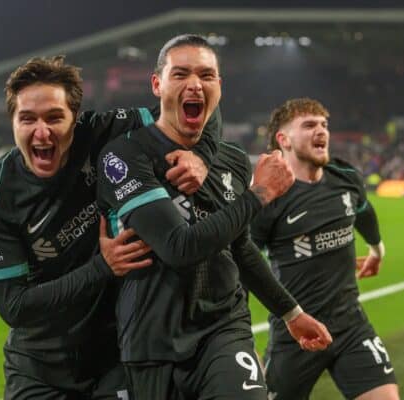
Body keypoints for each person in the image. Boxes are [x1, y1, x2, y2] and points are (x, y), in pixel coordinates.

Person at [96, 34, 331, 400]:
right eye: (181, 74)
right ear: (157, 85)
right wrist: (259, 194)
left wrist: (290, 312)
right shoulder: (125, 156)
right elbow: (177, 248)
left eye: (206, 75)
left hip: (224, 330)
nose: (195, 84)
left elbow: (240, 247)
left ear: (219, 86)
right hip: (151, 340)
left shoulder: (232, 159)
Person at [0, 56, 219, 399]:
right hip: (40, 368)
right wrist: (102, 268)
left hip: (115, 358)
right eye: (27, 119)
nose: (42, 132)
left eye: (55, 117)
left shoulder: (100, 133)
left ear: (76, 118)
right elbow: (14, 307)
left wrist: (201, 155)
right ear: (12, 121)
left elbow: (197, 104)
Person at [251, 98, 400, 400]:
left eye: (324, 124)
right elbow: (242, 263)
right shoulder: (266, 198)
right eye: (309, 125)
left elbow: (364, 212)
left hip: (351, 326)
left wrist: (377, 249)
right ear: (284, 140)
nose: (321, 131)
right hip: (297, 335)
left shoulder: (345, 177)